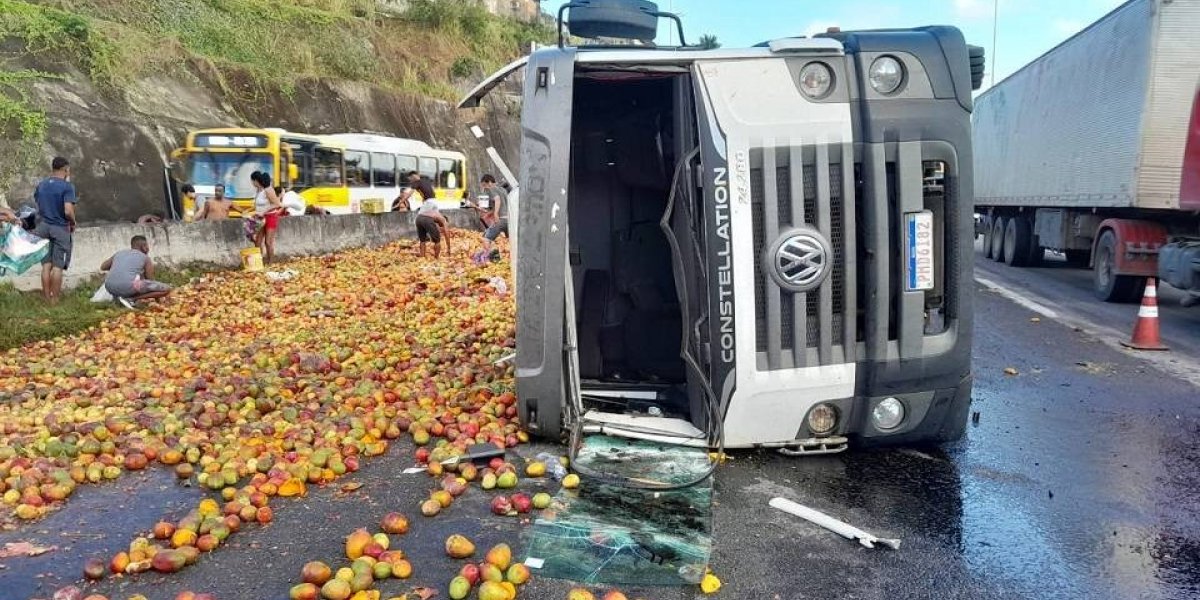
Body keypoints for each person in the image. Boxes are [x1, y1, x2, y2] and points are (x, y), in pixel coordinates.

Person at [31, 156, 77, 304]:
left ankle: (46, 297)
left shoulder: (42, 185)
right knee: (58, 266)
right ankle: (55, 300)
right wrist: (73, 222)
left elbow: (39, 204)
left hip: (43, 227)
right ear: (66, 169)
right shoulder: (67, 187)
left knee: (46, 265)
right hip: (59, 228)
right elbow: (68, 211)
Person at [100, 235, 171, 309]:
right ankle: (131, 299)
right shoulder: (145, 258)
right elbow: (150, 280)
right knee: (166, 289)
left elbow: (103, 267)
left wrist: (119, 267)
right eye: (146, 245)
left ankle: (119, 298)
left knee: (137, 280)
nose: (148, 248)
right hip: (127, 286)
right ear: (143, 246)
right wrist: (158, 299)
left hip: (109, 286)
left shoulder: (119, 253)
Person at [250, 171, 284, 263]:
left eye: (252, 181)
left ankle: (271, 262)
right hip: (260, 218)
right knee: (257, 242)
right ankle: (258, 262)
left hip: (270, 217)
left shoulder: (268, 190)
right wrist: (252, 212)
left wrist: (264, 212)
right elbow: (259, 205)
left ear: (256, 181)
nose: (252, 183)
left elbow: (277, 204)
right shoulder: (258, 191)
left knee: (268, 242)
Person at [479, 174, 509, 260]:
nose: (485, 188)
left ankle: (489, 260)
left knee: (486, 238)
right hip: (510, 220)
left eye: (484, 185)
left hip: (501, 220)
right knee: (512, 241)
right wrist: (489, 213)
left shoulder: (492, 188)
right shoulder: (503, 189)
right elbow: (503, 204)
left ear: (489, 182)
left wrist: (495, 214)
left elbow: (497, 199)